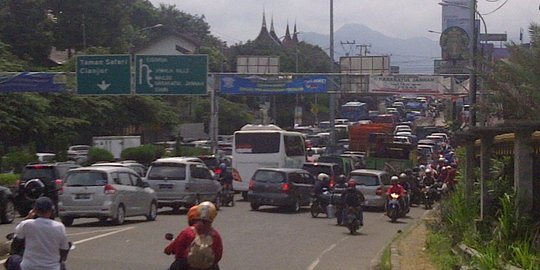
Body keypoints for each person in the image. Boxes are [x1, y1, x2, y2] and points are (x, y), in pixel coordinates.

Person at [10, 197, 70, 270]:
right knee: (62, 265)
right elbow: (64, 250)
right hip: (52, 267)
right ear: (52, 210)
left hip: (28, 267)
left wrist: (29, 217)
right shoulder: (59, 226)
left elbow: (15, 244)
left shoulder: (27, 224)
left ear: (35, 210)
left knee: (13, 259)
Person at [164, 201, 223, 270]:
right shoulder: (215, 235)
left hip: (186, 266)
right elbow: (218, 255)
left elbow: (178, 252)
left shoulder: (188, 232)